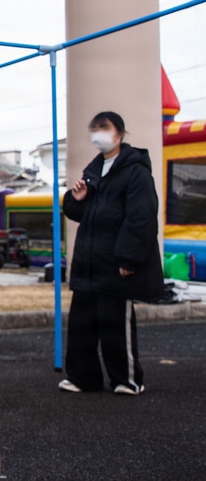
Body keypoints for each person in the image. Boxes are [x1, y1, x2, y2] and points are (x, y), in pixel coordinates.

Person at [59, 111, 163, 395]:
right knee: (82, 324)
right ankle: (83, 378)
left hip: (115, 263)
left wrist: (128, 258)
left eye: (104, 128)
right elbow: (81, 213)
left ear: (119, 133)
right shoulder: (94, 171)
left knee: (115, 324)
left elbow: (141, 218)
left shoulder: (135, 171)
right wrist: (75, 199)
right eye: (94, 128)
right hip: (88, 263)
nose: (98, 133)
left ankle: (127, 379)